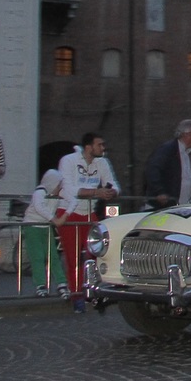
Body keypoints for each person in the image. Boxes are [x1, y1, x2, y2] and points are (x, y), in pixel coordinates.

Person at [57, 133, 120, 312]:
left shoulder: (102, 162)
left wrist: (110, 192)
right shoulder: (68, 161)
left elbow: (114, 184)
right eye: (99, 145)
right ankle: (76, 295)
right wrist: (95, 193)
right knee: (73, 257)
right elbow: (68, 187)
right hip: (69, 211)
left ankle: (92, 290)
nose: (103, 148)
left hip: (89, 213)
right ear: (88, 147)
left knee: (96, 252)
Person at [22, 169, 68, 298]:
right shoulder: (40, 192)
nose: (60, 188)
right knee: (37, 256)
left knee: (53, 255)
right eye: (58, 185)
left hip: (45, 226)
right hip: (32, 226)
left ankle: (61, 283)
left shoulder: (56, 195)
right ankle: (40, 285)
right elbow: (39, 206)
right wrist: (54, 219)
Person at [145, 119, 191, 208]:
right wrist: (159, 192)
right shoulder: (167, 150)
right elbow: (153, 170)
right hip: (165, 205)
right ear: (186, 135)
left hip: (185, 204)